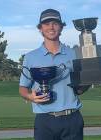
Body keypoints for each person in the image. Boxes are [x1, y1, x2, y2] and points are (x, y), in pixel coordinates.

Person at [19, 9, 89, 140]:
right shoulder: (30, 57)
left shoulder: (75, 54)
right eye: (46, 24)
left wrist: (89, 81)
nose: (51, 27)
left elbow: (81, 86)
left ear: (61, 27)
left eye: (55, 23)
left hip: (72, 119)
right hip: (44, 120)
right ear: (40, 28)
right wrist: (30, 96)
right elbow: (22, 88)